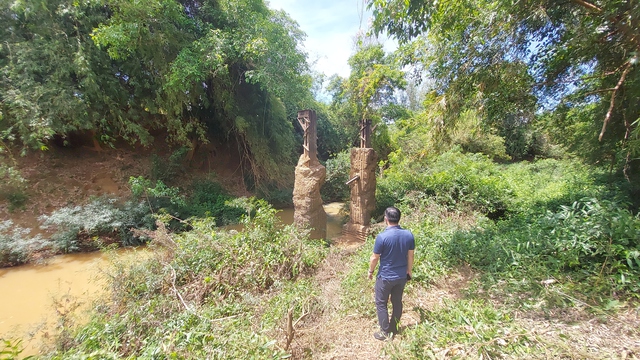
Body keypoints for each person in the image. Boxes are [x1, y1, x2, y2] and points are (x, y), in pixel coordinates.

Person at [368, 206, 415, 340]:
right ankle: (394, 329)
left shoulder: (382, 237)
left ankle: (385, 332)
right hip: (401, 276)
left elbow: (374, 257)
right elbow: (410, 256)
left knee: (381, 303)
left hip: (385, 277)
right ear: (399, 219)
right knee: (397, 301)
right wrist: (409, 271)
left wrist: (370, 271)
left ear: (385, 219)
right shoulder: (408, 235)